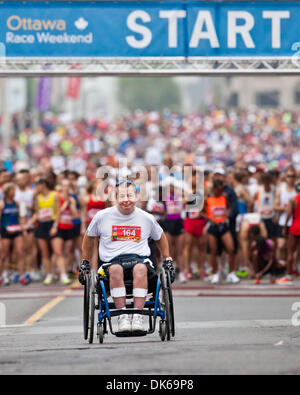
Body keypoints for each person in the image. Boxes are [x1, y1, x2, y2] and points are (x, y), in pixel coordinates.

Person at [80, 180, 174, 333]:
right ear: (115, 197)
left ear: (136, 196)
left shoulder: (146, 218)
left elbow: (160, 237)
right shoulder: (102, 216)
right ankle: (123, 317)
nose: (126, 200)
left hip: (139, 260)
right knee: (116, 269)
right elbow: (89, 237)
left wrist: (167, 258)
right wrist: (85, 261)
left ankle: (137, 316)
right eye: (121, 196)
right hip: (111, 263)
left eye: (129, 195)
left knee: (140, 268)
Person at [203, 179, 239, 284]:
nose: (221, 191)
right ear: (214, 189)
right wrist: (210, 218)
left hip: (223, 225)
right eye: (219, 189)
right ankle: (215, 273)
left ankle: (231, 273)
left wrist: (226, 215)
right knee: (213, 251)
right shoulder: (208, 199)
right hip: (213, 227)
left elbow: (229, 208)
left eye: (222, 189)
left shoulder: (224, 197)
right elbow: (202, 212)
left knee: (231, 248)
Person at [0, 182, 29, 286]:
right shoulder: (2, 204)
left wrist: (23, 228)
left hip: (17, 230)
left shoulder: (16, 203)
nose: (14, 192)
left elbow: (20, 217)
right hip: (5, 231)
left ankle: (22, 276)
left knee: (20, 252)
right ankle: (2, 275)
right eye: (12, 190)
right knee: (4, 255)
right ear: (7, 192)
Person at [277, 180, 300, 285]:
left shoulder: (293, 200)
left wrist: (285, 227)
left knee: (290, 252)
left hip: (295, 227)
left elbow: (289, 214)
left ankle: (289, 276)